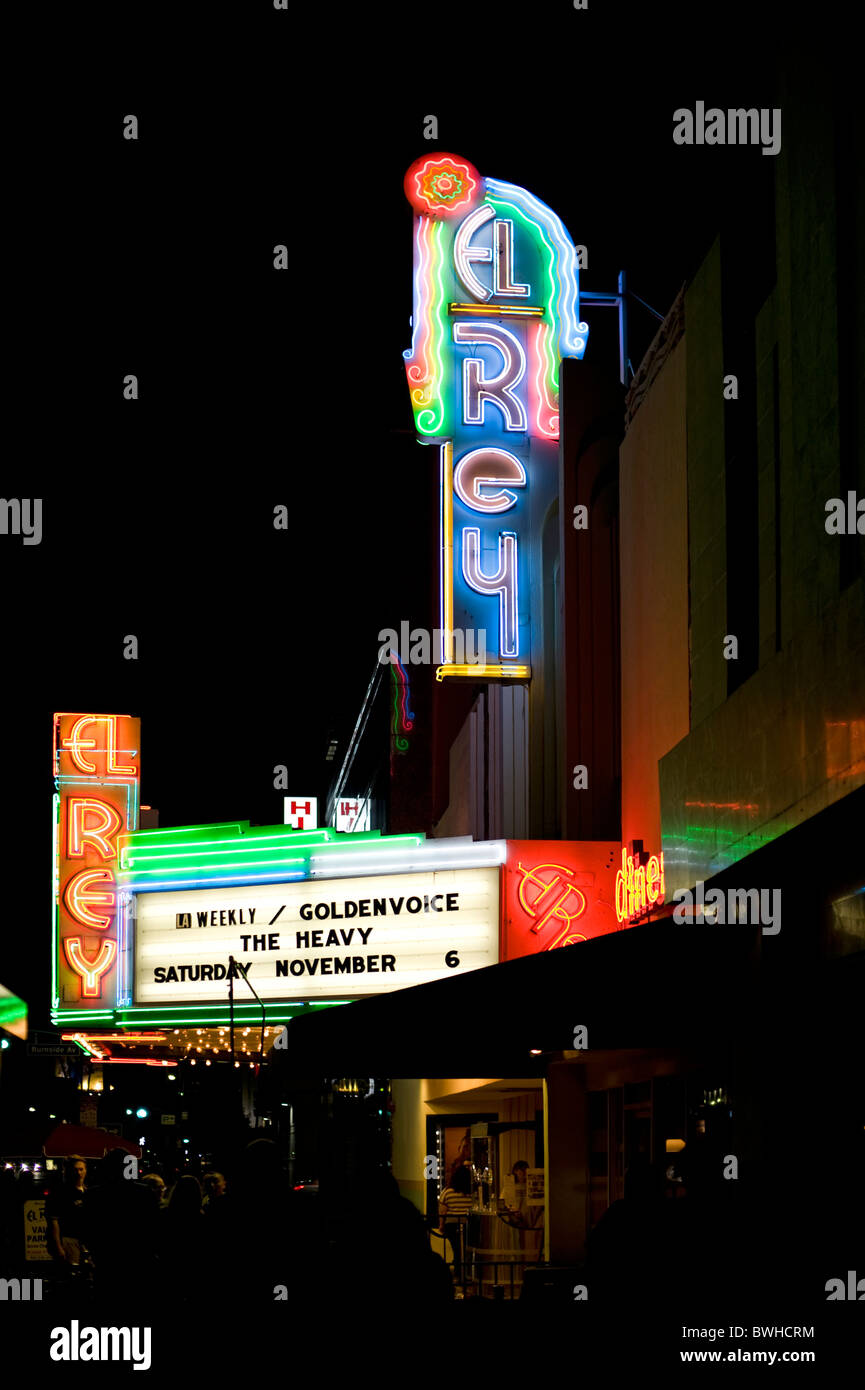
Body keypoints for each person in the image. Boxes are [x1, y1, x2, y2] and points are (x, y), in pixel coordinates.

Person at [45, 1156, 89, 1275]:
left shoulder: (87, 1191)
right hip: (68, 1239)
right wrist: (58, 1246)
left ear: (85, 1170)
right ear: (68, 1171)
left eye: (81, 1169)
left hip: (84, 1241)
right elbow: (53, 1221)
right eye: (75, 1170)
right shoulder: (59, 1192)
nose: (78, 1173)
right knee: (71, 1275)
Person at [438, 1163, 473, 1283]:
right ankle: (467, 1274)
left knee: (457, 1250)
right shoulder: (471, 1193)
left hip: (452, 1225)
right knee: (466, 1251)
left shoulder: (447, 1192)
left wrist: (441, 1225)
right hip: (469, 1225)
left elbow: (442, 1211)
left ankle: (458, 1275)